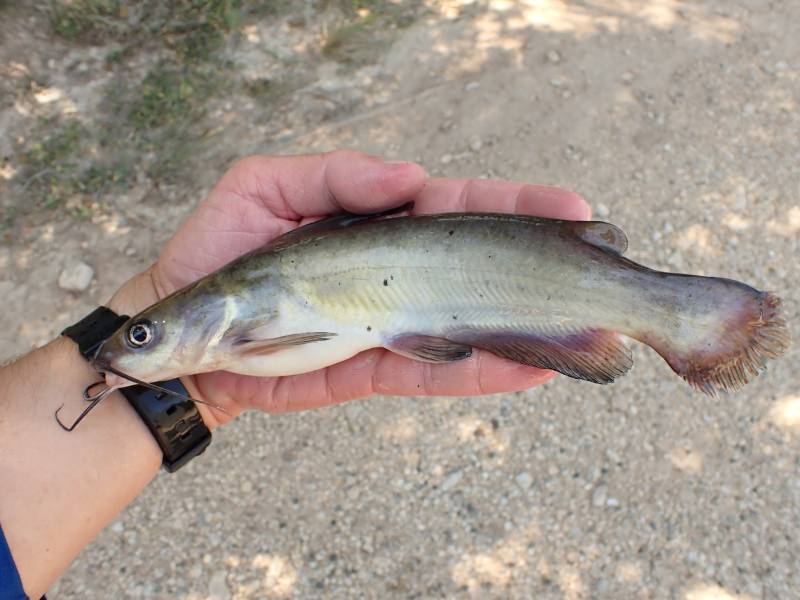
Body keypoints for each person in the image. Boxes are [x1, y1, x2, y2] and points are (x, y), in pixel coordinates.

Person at [0, 150, 590, 599]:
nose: (133, 345)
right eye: (139, 335)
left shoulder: (233, 320)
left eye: (141, 335)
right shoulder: (221, 335)